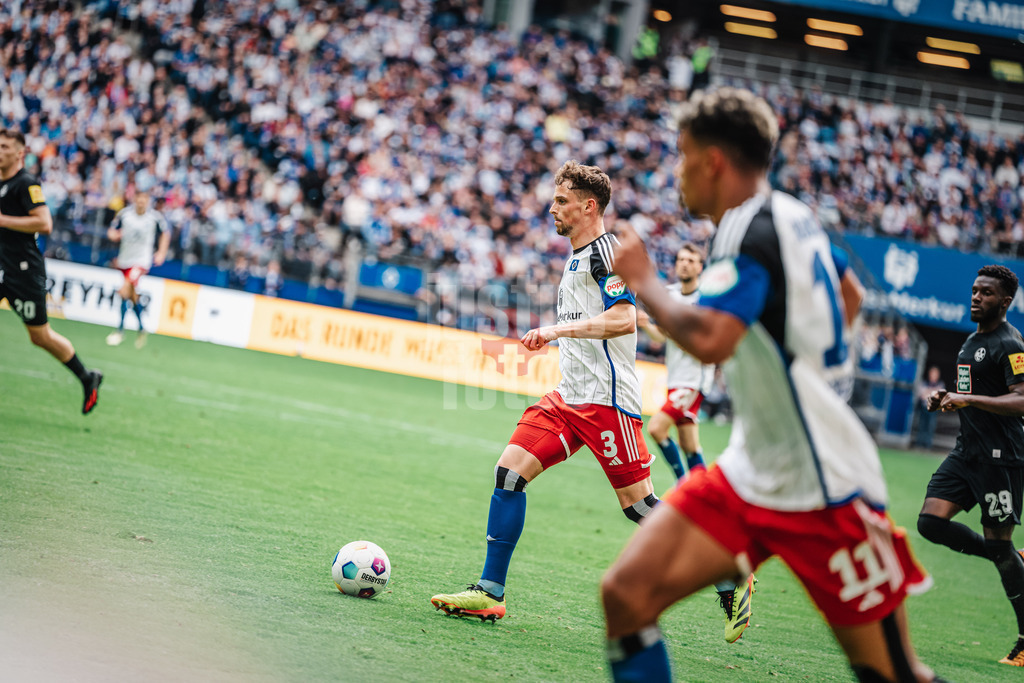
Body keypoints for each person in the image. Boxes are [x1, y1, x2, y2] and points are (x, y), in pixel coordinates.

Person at [602, 88, 940, 682]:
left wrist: (645, 283)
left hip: (824, 486)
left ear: (713, 162)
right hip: (752, 468)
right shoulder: (791, 214)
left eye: (682, 156)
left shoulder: (747, 227)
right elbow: (850, 296)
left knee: (893, 675)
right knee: (626, 596)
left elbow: (711, 339)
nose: (677, 172)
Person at [429, 160, 658, 623]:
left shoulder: (605, 253)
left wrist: (557, 331)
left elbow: (624, 319)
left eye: (561, 201)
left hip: (607, 401)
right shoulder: (579, 255)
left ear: (588, 206)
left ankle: (727, 569)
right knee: (509, 473)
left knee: (640, 508)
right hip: (569, 396)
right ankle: (491, 591)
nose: (551, 208)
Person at [637, 240, 758, 643]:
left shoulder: (709, 296)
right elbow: (663, 335)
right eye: (682, 259)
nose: (685, 263)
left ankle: (689, 491)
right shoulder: (670, 295)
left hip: (694, 383)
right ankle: (709, 499)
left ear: (701, 266)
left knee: (655, 430)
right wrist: (644, 322)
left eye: (692, 259)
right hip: (676, 379)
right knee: (692, 451)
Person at [916, 265, 1024, 667]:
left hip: (1001, 458)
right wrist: (946, 397)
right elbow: (968, 393)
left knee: (999, 548)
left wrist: (970, 400)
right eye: (975, 290)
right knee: (930, 523)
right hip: (967, 454)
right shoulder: (970, 342)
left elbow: (1022, 400)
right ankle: (1013, 555)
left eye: (986, 293)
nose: (976, 297)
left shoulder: (1010, 344)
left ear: (1005, 302)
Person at [0, 128, 102, 414]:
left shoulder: (26, 183)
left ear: (19, 153)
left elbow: (45, 223)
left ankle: (87, 377)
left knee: (40, 336)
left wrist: (3, 220)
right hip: (3, 266)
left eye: (5, 147)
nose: (0, 151)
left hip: (23, 272)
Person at [105, 188, 170, 348]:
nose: (141, 202)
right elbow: (111, 231)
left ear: (148, 201)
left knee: (124, 289)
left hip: (141, 261)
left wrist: (161, 252)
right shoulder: (124, 214)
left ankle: (120, 331)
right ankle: (142, 328)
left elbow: (165, 233)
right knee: (132, 296)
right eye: (139, 199)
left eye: (144, 199)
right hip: (125, 259)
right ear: (135, 199)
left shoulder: (154, 217)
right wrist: (114, 235)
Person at [913, 366, 945, 450]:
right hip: (924, 408)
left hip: (934, 409)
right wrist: (933, 391)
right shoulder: (924, 383)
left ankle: (927, 445)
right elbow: (922, 396)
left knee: (930, 426)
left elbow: (939, 396)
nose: (933, 375)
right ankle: (919, 444)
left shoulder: (940, 384)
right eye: (932, 373)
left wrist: (929, 391)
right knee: (921, 425)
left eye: (935, 374)